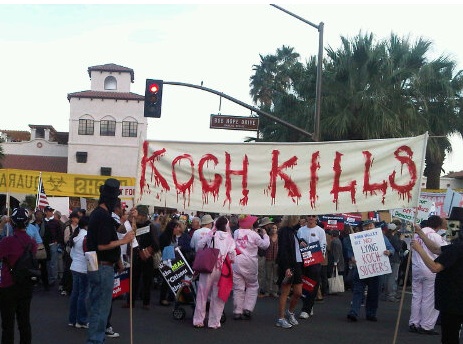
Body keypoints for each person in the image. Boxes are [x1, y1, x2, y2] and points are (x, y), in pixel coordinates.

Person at [85, 178, 135, 344]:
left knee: (98, 306)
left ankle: (96, 338)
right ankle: (95, 340)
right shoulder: (102, 217)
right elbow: (102, 244)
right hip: (102, 266)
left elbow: (114, 230)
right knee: (101, 308)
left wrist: (119, 261)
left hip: (98, 265)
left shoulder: (100, 215)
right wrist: (124, 241)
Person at [411, 219, 463, 344]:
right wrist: (420, 233)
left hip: (453, 300)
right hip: (456, 299)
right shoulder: (454, 248)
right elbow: (435, 249)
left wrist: (419, 249)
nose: (449, 229)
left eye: (452, 225)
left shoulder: (456, 248)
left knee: (450, 337)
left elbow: (435, 267)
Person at [0, 207, 37, 344]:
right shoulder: (31, 242)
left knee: (7, 325)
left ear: (12, 223)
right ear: (27, 223)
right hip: (25, 285)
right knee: (24, 323)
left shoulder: (6, 242)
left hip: (8, 285)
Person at [346, 219, 394, 322]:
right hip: (360, 269)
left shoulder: (381, 237)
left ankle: (371, 314)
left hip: (375, 270)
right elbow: (350, 251)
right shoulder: (357, 238)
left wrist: (388, 252)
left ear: (374, 226)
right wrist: (352, 257)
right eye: (366, 226)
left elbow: (391, 248)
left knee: (374, 293)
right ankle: (353, 312)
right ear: (362, 228)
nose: (368, 228)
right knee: (358, 291)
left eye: (370, 226)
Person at [193, 216, 236, 329]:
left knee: (202, 295)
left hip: (208, 267)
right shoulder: (230, 239)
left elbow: (199, 246)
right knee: (217, 297)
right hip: (221, 270)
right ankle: (214, 322)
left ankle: (199, 320)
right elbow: (232, 256)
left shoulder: (211, 235)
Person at [408, 215, 448, 335]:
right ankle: (426, 325)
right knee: (429, 298)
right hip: (430, 268)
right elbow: (444, 251)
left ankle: (414, 322)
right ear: (438, 225)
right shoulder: (435, 236)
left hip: (416, 267)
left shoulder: (416, 235)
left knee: (416, 296)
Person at [232, 215, 269, 320]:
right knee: (252, 285)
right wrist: (265, 235)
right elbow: (265, 245)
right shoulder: (254, 235)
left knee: (238, 288)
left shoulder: (236, 233)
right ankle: (247, 308)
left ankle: (237, 311)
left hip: (236, 262)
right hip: (250, 263)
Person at [123, 205, 160, 309]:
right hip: (135, 256)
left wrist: (147, 251)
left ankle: (146, 302)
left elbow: (156, 244)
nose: (137, 217)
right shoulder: (133, 224)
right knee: (133, 279)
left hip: (146, 257)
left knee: (147, 281)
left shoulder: (150, 226)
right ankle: (130, 301)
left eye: (138, 215)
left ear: (143, 215)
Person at [275, 215, 303, 329]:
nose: (299, 220)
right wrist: (286, 267)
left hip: (296, 264)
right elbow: (283, 250)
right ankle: (281, 318)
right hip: (288, 265)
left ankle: (290, 312)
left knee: (298, 292)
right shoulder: (284, 231)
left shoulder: (293, 231)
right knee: (285, 292)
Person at [297, 215, 327, 319]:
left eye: (313, 216)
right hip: (303, 260)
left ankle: (306, 309)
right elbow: (297, 244)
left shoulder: (320, 231)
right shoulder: (301, 230)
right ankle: (308, 304)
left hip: (315, 261)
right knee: (304, 284)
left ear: (316, 218)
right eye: (309, 216)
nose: (311, 218)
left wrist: (320, 258)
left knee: (313, 284)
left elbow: (323, 245)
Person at [68, 215, 89, 328]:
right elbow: (88, 254)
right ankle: (81, 320)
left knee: (75, 294)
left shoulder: (76, 236)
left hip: (74, 267)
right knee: (83, 294)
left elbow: (71, 253)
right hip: (83, 268)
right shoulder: (86, 236)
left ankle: (72, 319)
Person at [158, 219, 183, 306]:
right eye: (176, 227)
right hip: (166, 260)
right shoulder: (165, 237)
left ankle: (170, 297)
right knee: (166, 280)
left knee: (171, 279)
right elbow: (164, 249)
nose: (178, 229)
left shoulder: (172, 236)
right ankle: (163, 298)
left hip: (171, 260)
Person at [44, 205, 63, 287]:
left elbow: (60, 233)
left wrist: (57, 242)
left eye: (52, 211)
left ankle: (53, 279)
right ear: (46, 212)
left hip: (52, 244)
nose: (51, 212)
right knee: (46, 262)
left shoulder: (56, 222)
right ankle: (46, 278)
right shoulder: (42, 221)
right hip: (44, 244)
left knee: (53, 262)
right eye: (50, 211)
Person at [264, 223, 279, 298]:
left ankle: (275, 291)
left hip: (276, 259)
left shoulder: (279, 238)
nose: (274, 229)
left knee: (275, 276)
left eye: (275, 228)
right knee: (268, 276)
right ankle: (267, 291)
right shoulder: (268, 237)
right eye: (272, 228)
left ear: (277, 229)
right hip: (268, 258)